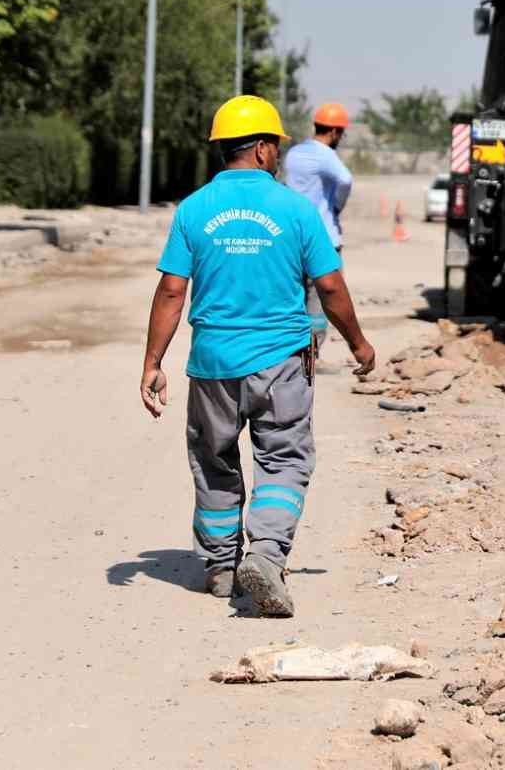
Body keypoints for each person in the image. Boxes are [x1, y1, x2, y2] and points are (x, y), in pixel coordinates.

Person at [140, 94, 377, 618]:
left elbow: (172, 291)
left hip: (212, 365)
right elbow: (330, 286)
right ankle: (266, 557)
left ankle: (222, 568)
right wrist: (358, 343)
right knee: (285, 460)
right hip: (282, 364)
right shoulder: (293, 208)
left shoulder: (195, 208)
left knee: (214, 461)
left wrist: (153, 363)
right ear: (266, 149)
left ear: (222, 148)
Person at [284, 102, 355, 353]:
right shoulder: (325, 154)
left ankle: (291, 350)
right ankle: (311, 354)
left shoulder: (294, 153)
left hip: (292, 239)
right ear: (335, 132)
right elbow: (346, 179)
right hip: (323, 237)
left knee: (295, 297)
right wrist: (336, 205)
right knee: (321, 299)